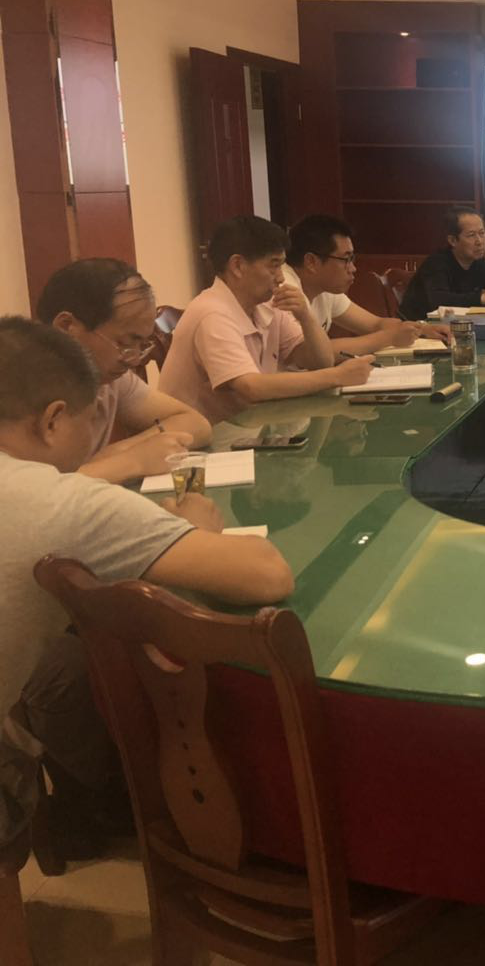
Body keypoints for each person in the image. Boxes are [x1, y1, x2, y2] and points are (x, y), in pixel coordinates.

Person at [0, 317, 293, 853]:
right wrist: (198, 530)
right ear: (54, 419)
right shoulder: (59, 503)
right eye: (91, 422)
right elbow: (267, 573)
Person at [159, 216, 374, 423]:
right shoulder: (212, 313)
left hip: (248, 429)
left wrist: (306, 317)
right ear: (238, 266)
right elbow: (251, 388)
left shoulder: (267, 304)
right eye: (273, 265)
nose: (280, 277)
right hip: (199, 440)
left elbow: (319, 362)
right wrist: (337, 376)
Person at [36, 259, 212, 483]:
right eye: (125, 342)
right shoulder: (18, 391)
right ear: (66, 327)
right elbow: (28, 492)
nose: (135, 359)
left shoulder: (110, 379)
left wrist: (118, 452)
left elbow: (196, 423)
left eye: (142, 344)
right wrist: (133, 461)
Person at [284, 213, 449, 349]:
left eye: (352, 259)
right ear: (311, 262)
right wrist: (389, 338)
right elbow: (312, 354)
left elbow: (375, 324)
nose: (353, 268)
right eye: (346, 259)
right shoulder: (285, 290)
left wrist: (422, 329)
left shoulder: (324, 289)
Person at [399, 206, 485, 320]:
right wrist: (483, 298)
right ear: (452, 240)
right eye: (471, 235)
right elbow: (439, 301)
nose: (479, 241)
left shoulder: (480, 263)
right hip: (419, 325)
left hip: (455, 323)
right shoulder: (436, 263)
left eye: (482, 233)